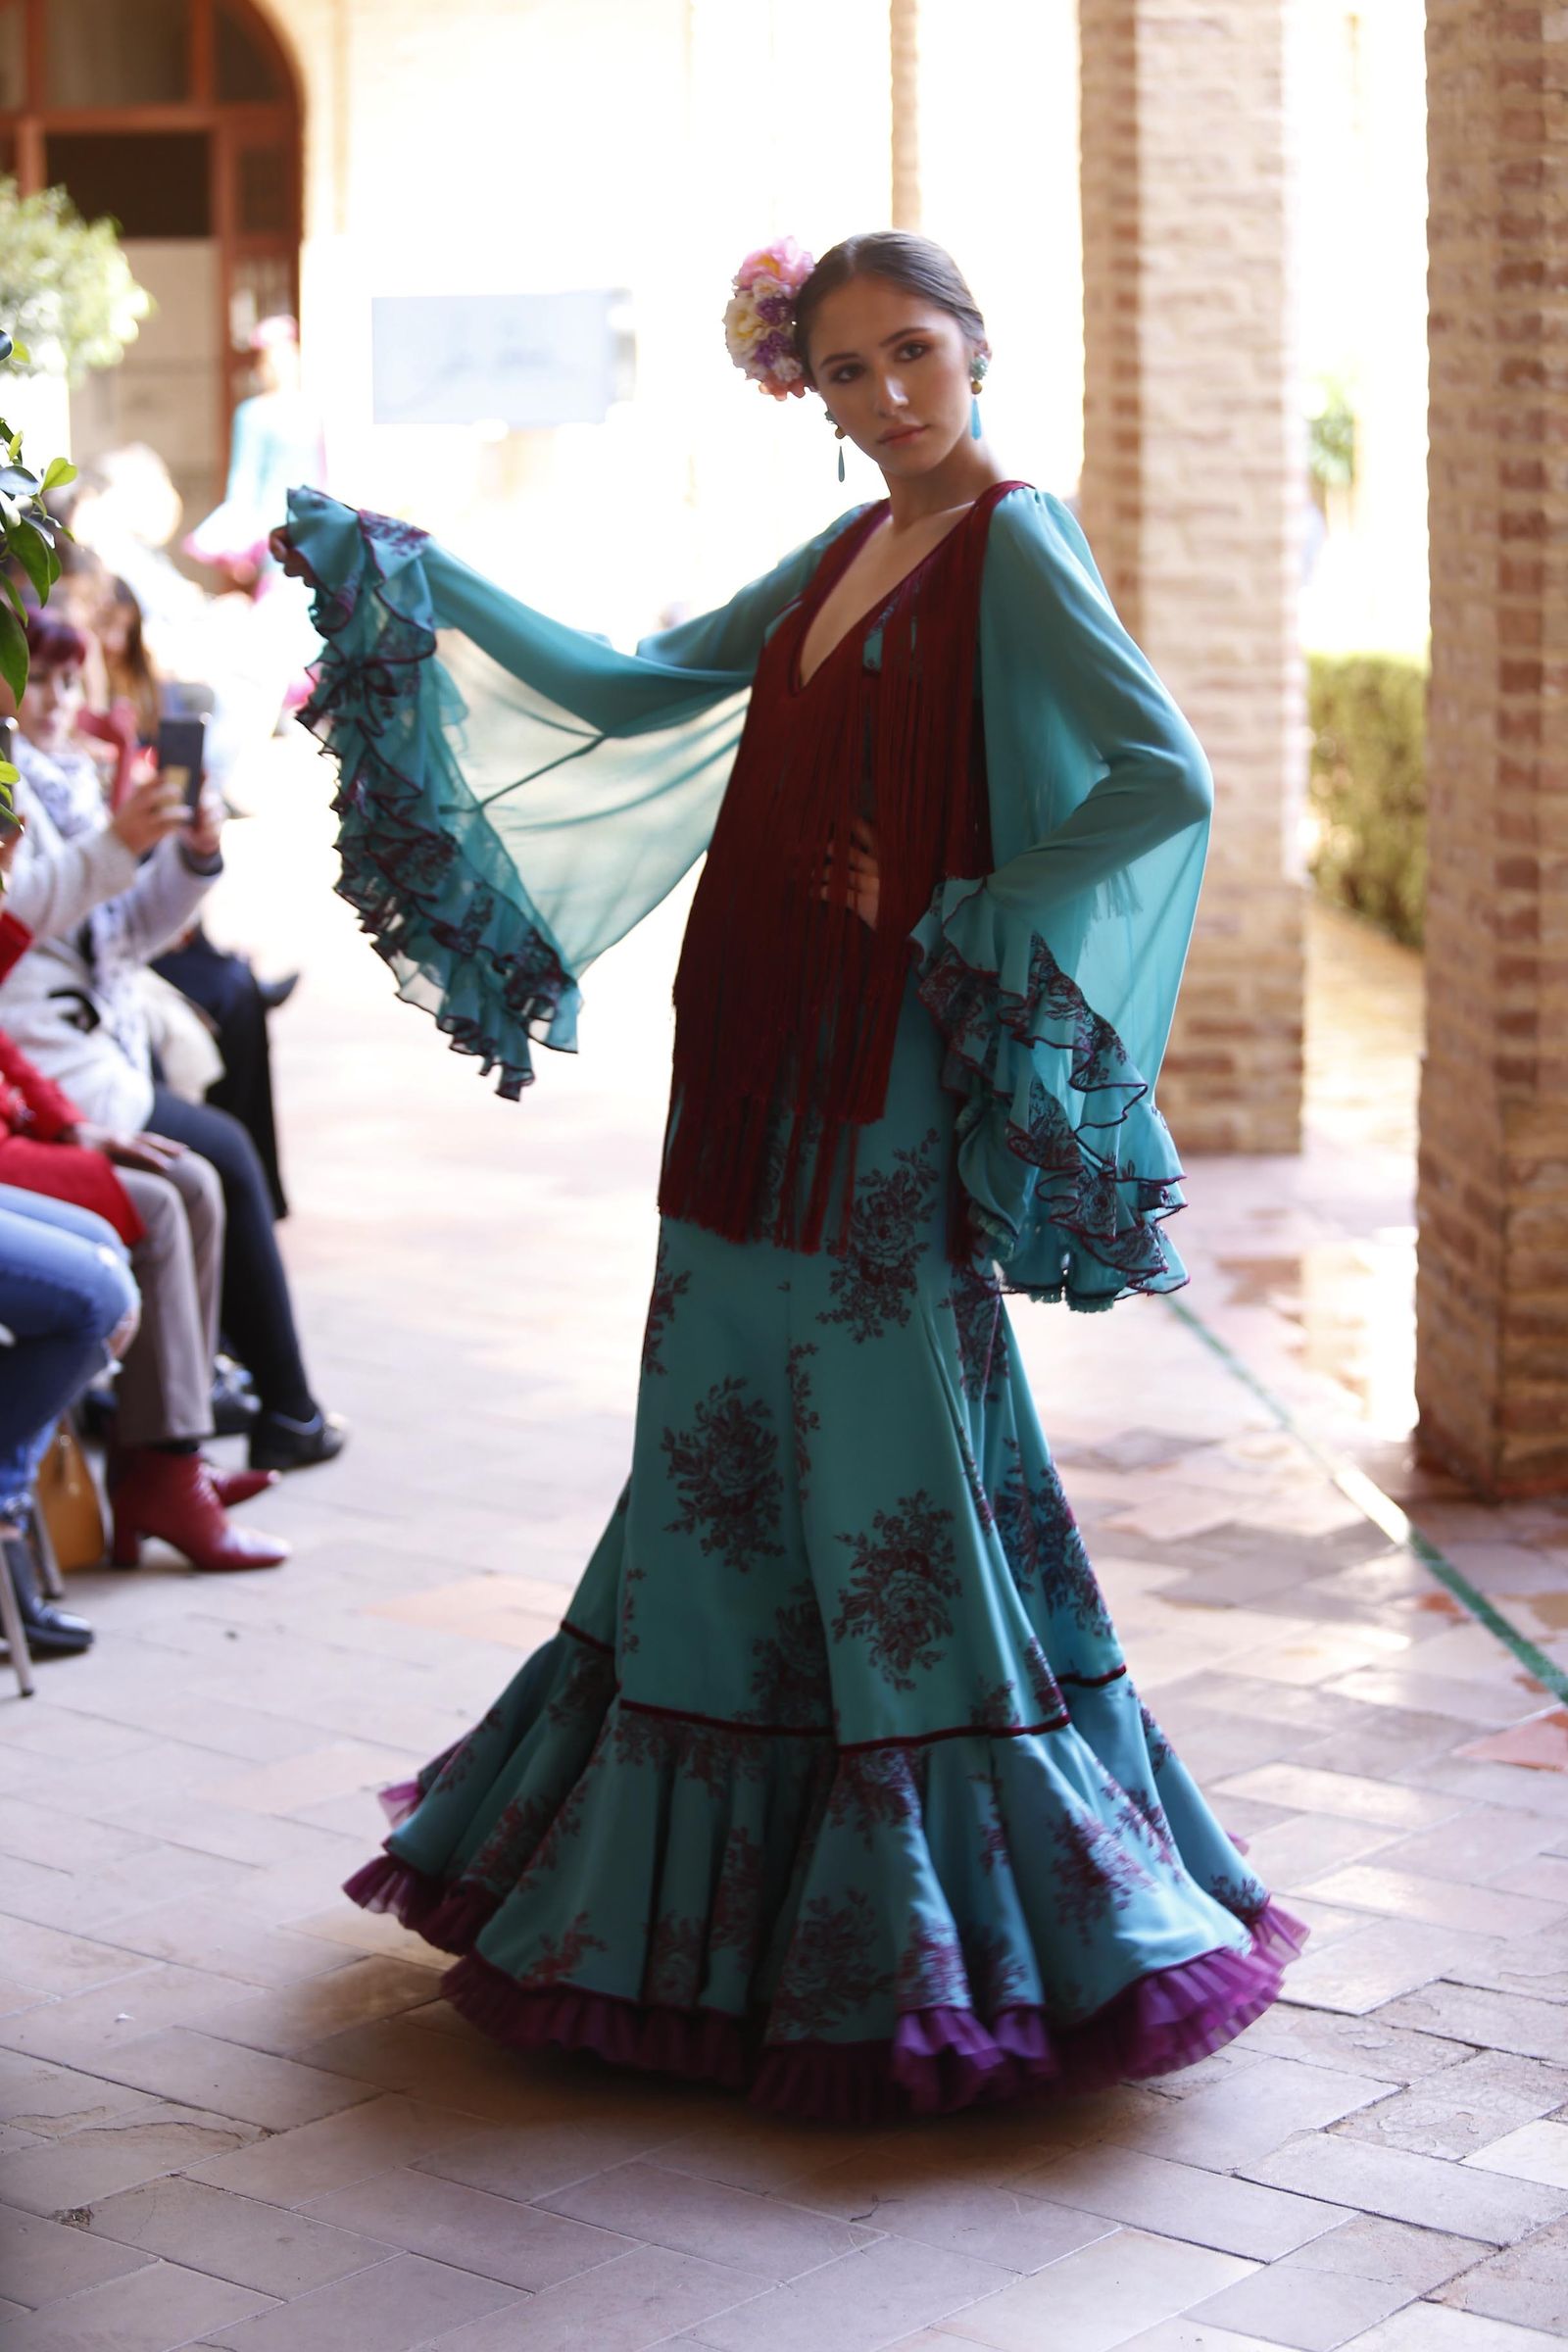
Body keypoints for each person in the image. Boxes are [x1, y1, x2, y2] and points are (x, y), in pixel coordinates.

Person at [279, 232, 1304, 2120]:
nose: (888, 395)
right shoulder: (843, 553)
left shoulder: (1015, 537)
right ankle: (683, 1918)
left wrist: (960, 904)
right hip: (746, 1038)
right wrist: (407, 583)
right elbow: (640, 678)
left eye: (913, 352)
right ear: (808, 393)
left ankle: (952, 1924)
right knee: (716, 1434)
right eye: (845, 370)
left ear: (975, 348)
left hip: (876, 1075)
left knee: (889, 1449)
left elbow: (1164, 776)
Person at [0, 615, 345, 1472]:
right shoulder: (19, 786)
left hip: (71, 1060)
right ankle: (203, 1435)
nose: (55, 700)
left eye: (67, 680)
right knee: (197, 1171)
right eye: (37, 677)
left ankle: (177, 1457)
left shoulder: (65, 781)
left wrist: (190, 856)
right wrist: (117, 846)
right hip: (51, 1060)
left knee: (201, 1153)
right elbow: (15, 930)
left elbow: (120, 934)